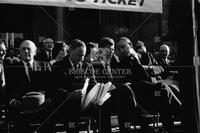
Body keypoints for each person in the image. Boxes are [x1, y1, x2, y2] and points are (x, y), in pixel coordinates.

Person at [52, 38, 137, 133]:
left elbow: (93, 84)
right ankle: (139, 116)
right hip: (70, 101)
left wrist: (98, 93)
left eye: (83, 56)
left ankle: (123, 129)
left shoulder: (87, 66)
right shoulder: (58, 66)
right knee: (73, 104)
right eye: (78, 55)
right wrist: (69, 94)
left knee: (122, 91)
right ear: (70, 51)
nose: (81, 59)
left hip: (89, 101)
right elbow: (54, 89)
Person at [115, 37, 182, 133]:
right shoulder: (126, 61)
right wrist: (151, 72)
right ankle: (179, 115)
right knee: (162, 90)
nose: (121, 49)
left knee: (166, 91)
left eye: (123, 46)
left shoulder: (136, 58)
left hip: (145, 92)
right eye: (119, 47)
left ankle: (175, 120)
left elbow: (158, 70)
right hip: (139, 97)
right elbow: (145, 77)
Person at [6, 40, 54, 133]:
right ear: (19, 52)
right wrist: (12, 100)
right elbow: (8, 88)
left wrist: (49, 97)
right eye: (23, 49)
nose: (26, 51)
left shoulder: (45, 65)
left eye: (29, 49)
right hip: (21, 107)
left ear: (35, 51)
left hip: (42, 106)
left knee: (50, 117)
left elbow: (52, 85)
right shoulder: (11, 68)